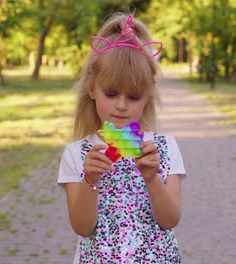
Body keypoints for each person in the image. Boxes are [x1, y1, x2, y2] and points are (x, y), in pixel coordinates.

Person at [58, 12, 186, 263]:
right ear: (92, 88)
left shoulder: (164, 148)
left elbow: (170, 220)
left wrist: (152, 178)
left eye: (133, 97)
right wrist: (90, 181)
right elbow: (82, 227)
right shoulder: (77, 154)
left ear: (146, 96)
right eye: (111, 93)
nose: (121, 106)